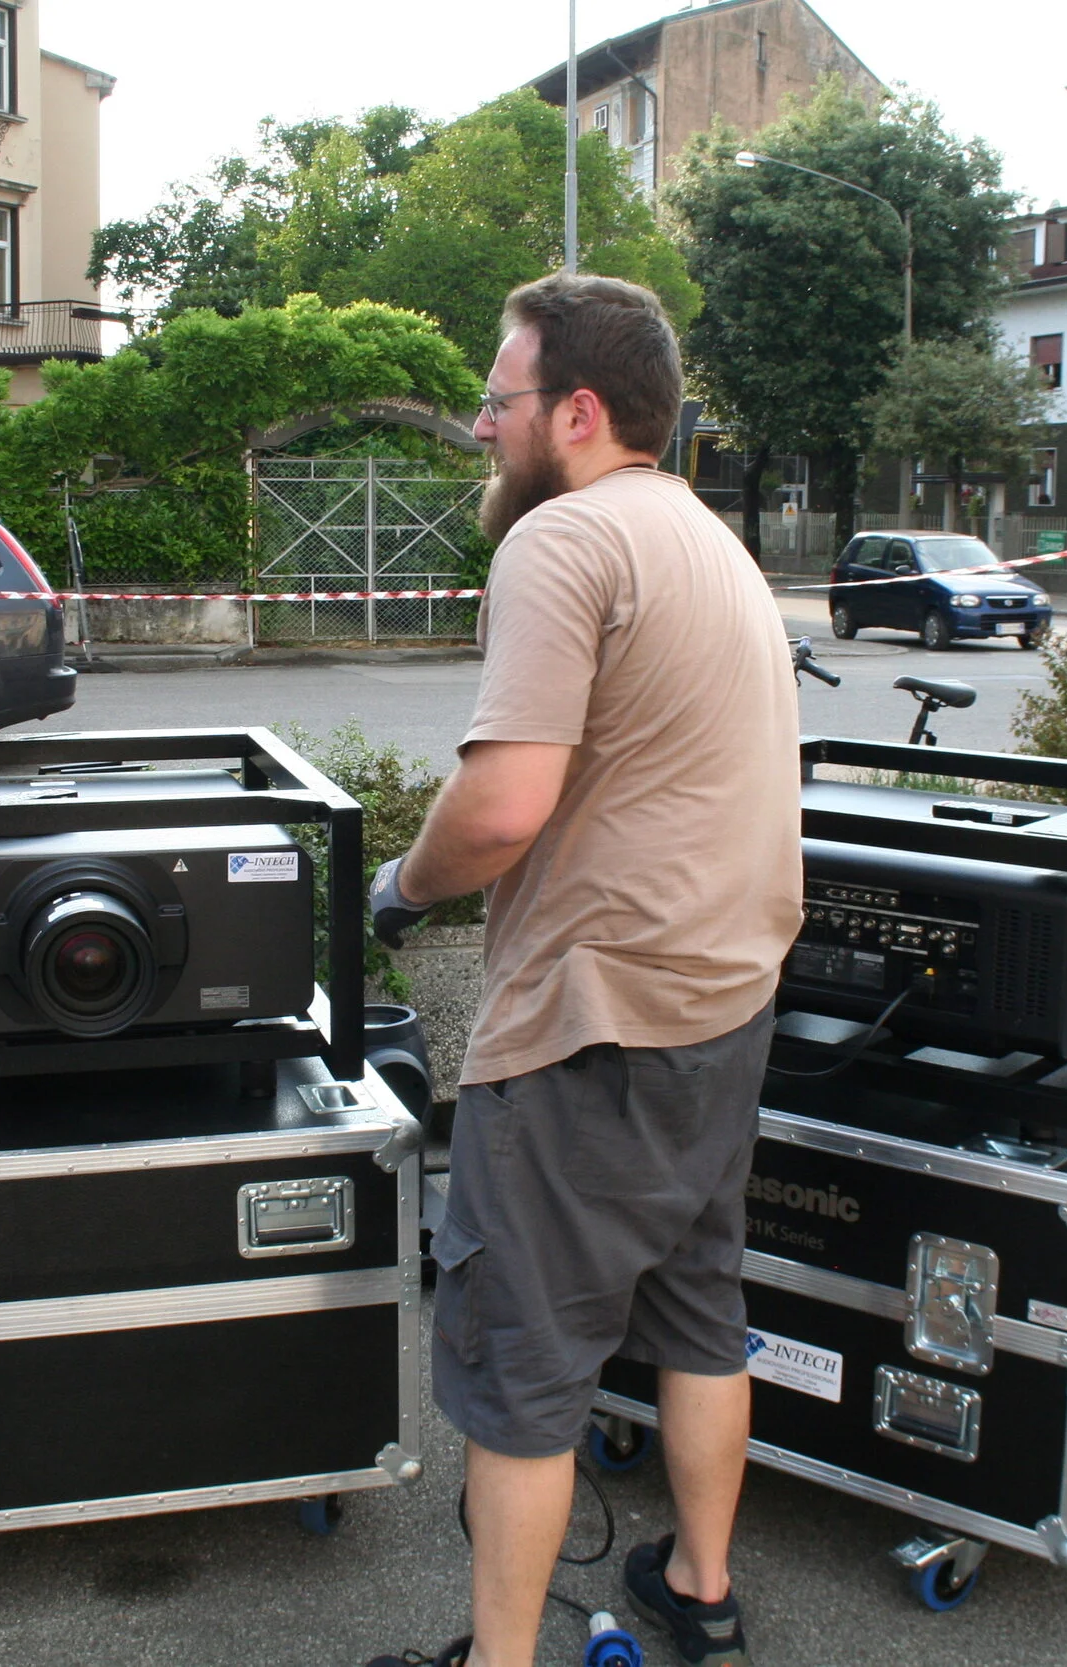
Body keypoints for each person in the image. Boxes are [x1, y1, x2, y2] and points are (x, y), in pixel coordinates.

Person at [366, 274, 800, 1667]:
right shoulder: (715, 545)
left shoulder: (562, 543)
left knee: (523, 1374)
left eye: (500, 401)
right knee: (699, 1309)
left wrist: (397, 887)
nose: (485, 428)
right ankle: (704, 1587)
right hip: (723, 1008)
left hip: (590, 1027)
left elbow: (499, 808)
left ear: (581, 410)